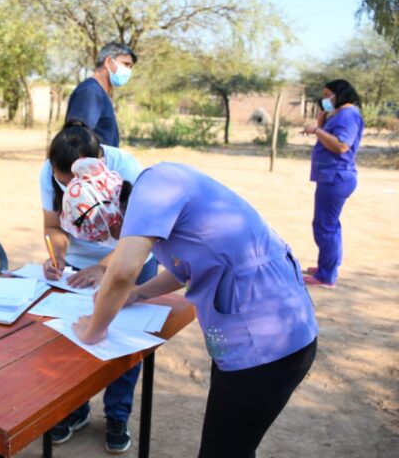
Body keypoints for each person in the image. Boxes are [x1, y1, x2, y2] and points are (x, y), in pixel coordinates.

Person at [66, 159, 318, 458]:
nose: (119, 238)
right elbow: (186, 266)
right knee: (232, 447)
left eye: (114, 232)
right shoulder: (163, 193)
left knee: (223, 451)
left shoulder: (154, 189)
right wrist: (139, 294)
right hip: (269, 333)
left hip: (265, 341)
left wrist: (94, 330)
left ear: (112, 213)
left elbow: (122, 271)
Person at [40, 123, 157, 453]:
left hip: (127, 256)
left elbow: (137, 239)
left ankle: (117, 414)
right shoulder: (51, 171)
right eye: (61, 183)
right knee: (70, 335)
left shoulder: (128, 170)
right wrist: (58, 257)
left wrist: (105, 268)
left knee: (122, 338)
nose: (64, 188)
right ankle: (74, 410)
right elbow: (52, 225)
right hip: (78, 267)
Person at [301, 79, 364, 289]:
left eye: (328, 95)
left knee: (325, 226)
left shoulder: (348, 116)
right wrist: (320, 120)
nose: (325, 99)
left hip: (336, 177)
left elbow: (341, 146)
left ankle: (327, 275)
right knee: (329, 225)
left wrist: (317, 131)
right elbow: (328, 137)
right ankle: (326, 266)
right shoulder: (340, 114)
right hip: (330, 176)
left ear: (339, 94)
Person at [64, 42, 137, 147]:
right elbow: (77, 141)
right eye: (125, 64)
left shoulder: (102, 93)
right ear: (108, 62)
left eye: (131, 67)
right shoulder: (90, 92)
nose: (128, 71)